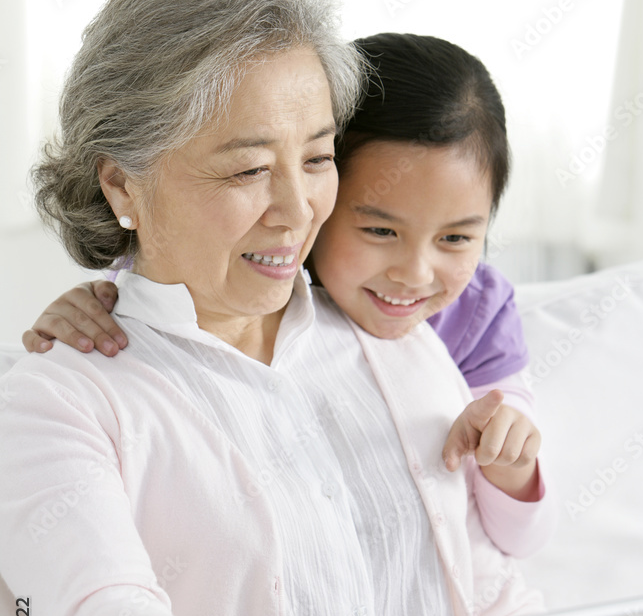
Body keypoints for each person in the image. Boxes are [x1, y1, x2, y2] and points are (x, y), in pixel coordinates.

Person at [1, 0, 542, 616]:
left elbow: (485, 595)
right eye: (248, 169)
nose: (297, 209)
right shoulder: (63, 400)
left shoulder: (390, 346)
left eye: (319, 158)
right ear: (120, 183)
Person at [24, 33, 553, 555]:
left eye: (457, 238)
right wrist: (86, 304)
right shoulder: (269, 270)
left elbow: (519, 539)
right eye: (380, 232)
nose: (414, 275)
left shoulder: (478, 312)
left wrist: (511, 462)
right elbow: (151, 297)